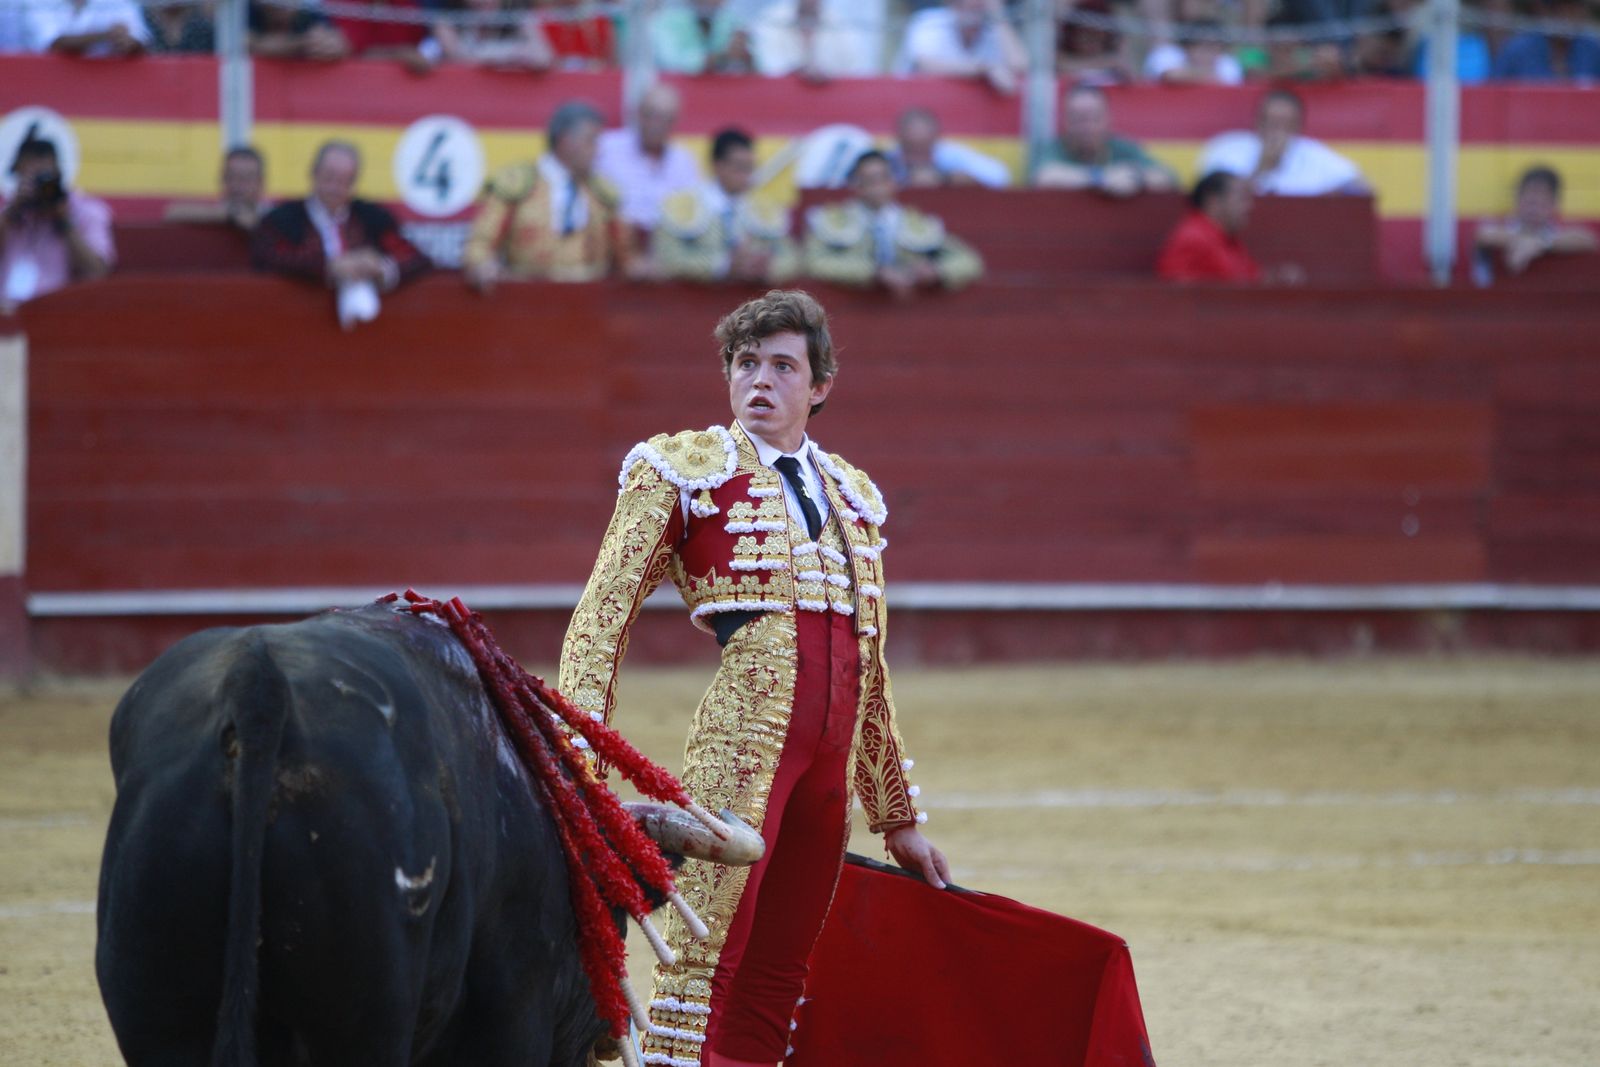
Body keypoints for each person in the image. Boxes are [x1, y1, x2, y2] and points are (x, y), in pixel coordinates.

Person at [558, 288, 949, 1067]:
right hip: (743, 754)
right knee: (703, 961)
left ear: (820, 385)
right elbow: (599, 622)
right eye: (745, 363)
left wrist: (896, 814)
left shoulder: (852, 494)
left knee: (779, 971)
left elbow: (867, 662)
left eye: (782, 365)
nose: (760, 380)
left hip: (827, 776)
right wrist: (581, 771)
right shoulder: (683, 471)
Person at [251, 140, 430, 327]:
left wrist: (378, 267)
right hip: (295, 322)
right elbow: (267, 256)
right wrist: (329, 266)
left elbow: (416, 258)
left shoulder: (373, 217)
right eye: (329, 177)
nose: (335, 187)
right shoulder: (283, 219)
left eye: (345, 181)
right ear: (313, 173)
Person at [461, 100, 635, 287]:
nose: (598, 151)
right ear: (565, 140)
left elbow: (627, 255)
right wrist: (481, 265)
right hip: (528, 300)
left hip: (592, 303)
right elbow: (480, 243)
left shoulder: (603, 192)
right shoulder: (519, 184)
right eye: (590, 140)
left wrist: (638, 266)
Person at [804, 149, 983, 296]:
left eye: (883, 178)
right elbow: (813, 263)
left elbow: (969, 261)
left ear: (893, 182)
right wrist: (873, 272)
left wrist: (936, 270)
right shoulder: (834, 220)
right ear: (856, 186)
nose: (878, 187)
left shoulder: (916, 222)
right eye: (869, 180)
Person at [654, 128, 799, 284]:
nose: (746, 176)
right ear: (717, 166)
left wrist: (766, 268)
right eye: (739, 167)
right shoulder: (683, 205)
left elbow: (792, 257)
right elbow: (668, 256)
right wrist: (722, 266)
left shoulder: (764, 208)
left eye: (750, 167)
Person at [0, 137, 114, 311]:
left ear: (58, 174)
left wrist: (63, 221)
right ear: (17, 177)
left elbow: (97, 271)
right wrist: (11, 214)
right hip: (6, 314)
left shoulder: (86, 211)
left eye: (43, 179)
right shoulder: (8, 214)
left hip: (59, 313)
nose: (37, 187)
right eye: (30, 179)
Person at [1198, 89, 1367, 196]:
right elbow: (1211, 199)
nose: (1277, 131)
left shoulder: (1314, 154)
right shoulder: (1226, 148)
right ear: (1258, 122)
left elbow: (1361, 188)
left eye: (1285, 124)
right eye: (1271, 122)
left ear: (1298, 127)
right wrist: (1262, 167)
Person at [1157, 169, 1304, 284]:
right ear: (1214, 201)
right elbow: (1176, 297)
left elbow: (1249, 281)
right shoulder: (1193, 239)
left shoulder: (1224, 239)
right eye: (1241, 198)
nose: (1249, 207)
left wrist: (1276, 279)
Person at [594, 83, 702, 235]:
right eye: (652, 115)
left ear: (675, 122)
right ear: (638, 114)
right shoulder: (606, 148)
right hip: (615, 241)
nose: (657, 125)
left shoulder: (684, 161)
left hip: (666, 247)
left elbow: (691, 214)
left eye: (666, 119)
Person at [1033, 84, 1177, 196]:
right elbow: (1043, 177)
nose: (1087, 126)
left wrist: (1137, 178)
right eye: (1079, 119)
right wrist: (1101, 178)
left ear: (1107, 119)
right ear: (1066, 122)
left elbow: (1166, 177)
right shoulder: (1053, 147)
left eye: (1094, 118)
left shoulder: (1122, 147)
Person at [1473, 165, 1598, 284]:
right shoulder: (1500, 227)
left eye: (1540, 200)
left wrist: (1540, 243)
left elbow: (1589, 240)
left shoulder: (1558, 233)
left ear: (1554, 204)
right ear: (1518, 198)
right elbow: (1484, 236)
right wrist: (1527, 241)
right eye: (1530, 199)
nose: (1533, 207)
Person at [894, 0, 1027, 94]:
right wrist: (984, 69)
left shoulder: (993, 32)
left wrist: (998, 16)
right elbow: (925, 64)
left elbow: (1019, 67)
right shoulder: (930, 21)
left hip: (972, 120)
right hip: (917, 105)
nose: (975, 5)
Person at [749, 0, 885, 79]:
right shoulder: (771, 20)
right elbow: (766, 66)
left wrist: (827, 75)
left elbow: (856, 70)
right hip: (780, 104)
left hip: (832, 106)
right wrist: (799, 73)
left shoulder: (840, 24)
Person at [885, 106, 1011, 188]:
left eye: (923, 145)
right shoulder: (885, 160)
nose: (917, 137)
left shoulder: (951, 155)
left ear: (936, 137)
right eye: (912, 147)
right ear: (899, 136)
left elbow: (1000, 176)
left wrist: (945, 179)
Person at [164, 146, 269, 230]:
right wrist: (233, 216)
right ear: (222, 179)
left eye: (246, 178)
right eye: (231, 176)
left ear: (260, 182)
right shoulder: (215, 214)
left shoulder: (271, 218)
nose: (237, 185)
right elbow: (173, 212)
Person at [427, 0, 554, 69]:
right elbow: (458, 58)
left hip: (511, 96)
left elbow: (544, 59)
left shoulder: (518, 16)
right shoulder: (447, 20)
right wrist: (510, 55)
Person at [1491, 0, 1600, 80]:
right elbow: (1494, 97)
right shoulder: (1517, 51)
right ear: (1544, 10)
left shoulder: (1594, 50)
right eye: (1559, 9)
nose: (1567, 16)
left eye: (1573, 8)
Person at [651, 0, 754, 74]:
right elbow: (670, 63)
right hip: (681, 94)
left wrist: (746, 56)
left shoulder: (732, 20)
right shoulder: (664, 20)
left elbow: (760, 64)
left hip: (723, 93)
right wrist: (718, 57)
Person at [25, 0, 149, 55]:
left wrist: (127, 43)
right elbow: (55, 43)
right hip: (52, 80)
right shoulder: (40, 2)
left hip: (110, 80)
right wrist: (107, 35)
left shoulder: (118, 1)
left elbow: (139, 39)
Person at [1142, 20, 1245, 83]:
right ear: (1187, 47)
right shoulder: (1166, 54)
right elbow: (1170, 76)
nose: (1208, 53)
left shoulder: (1228, 63)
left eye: (1214, 47)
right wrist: (1207, 76)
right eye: (1202, 46)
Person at [247, 0, 349, 60]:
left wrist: (333, 47)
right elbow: (244, 43)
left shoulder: (309, 13)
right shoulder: (242, 11)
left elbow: (337, 44)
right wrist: (300, 45)